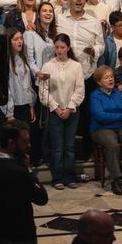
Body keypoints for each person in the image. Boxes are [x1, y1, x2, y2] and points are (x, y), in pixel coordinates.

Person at [40, 33, 86, 189]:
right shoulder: (48, 66)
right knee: (57, 147)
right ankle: (57, 177)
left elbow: (79, 90)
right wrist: (56, 108)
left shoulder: (76, 66)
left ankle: (69, 176)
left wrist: (70, 107)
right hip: (55, 111)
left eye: (62, 47)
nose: (59, 50)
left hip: (72, 111)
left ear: (68, 48)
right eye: (57, 47)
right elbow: (43, 91)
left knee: (69, 147)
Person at [89, 65, 122, 195]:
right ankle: (115, 179)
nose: (110, 79)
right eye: (106, 77)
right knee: (112, 144)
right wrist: (120, 115)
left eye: (111, 76)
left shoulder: (119, 92)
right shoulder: (95, 96)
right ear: (99, 82)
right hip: (102, 128)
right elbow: (100, 116)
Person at [0, 28, 40, 171]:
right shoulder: (6, 61)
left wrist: (31, 105)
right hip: (13, 108)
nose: (20, 42)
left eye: (21, 39)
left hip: (25, 105)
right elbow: (7, 89)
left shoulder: (23, 58)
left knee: (26, 138)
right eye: (16, 39)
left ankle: (26, 166)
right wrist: (9, 112)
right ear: (9, 41)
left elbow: (27, 84)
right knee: (15, 141)